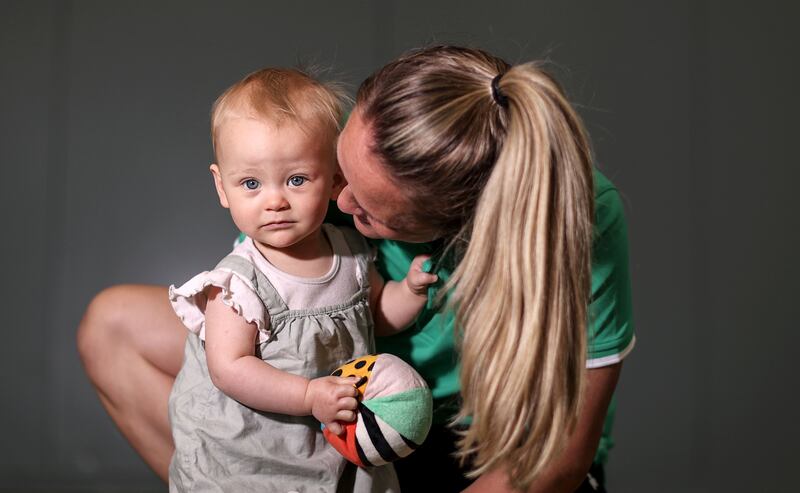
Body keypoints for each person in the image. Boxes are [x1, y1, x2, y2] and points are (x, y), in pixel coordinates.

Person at [78, 45, 634, 493]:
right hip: (340, 407)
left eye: (368, 211)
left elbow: (556, 459)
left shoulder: (574, 213)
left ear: (452, 225)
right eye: (336, 171)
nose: (337, 207)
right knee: (113, 325)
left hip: (480, 450)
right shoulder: (372, 141)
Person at [163, 67, 436, 492]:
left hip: (331, 439)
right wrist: (309, 396)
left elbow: (377, 316)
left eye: (296, 180)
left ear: (335, 179)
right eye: (250, 183)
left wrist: (411, 291)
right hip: (254, 451)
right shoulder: (235, 284)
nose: (275, 201)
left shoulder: (350, 253)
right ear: (222, 187)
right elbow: (230, 369)